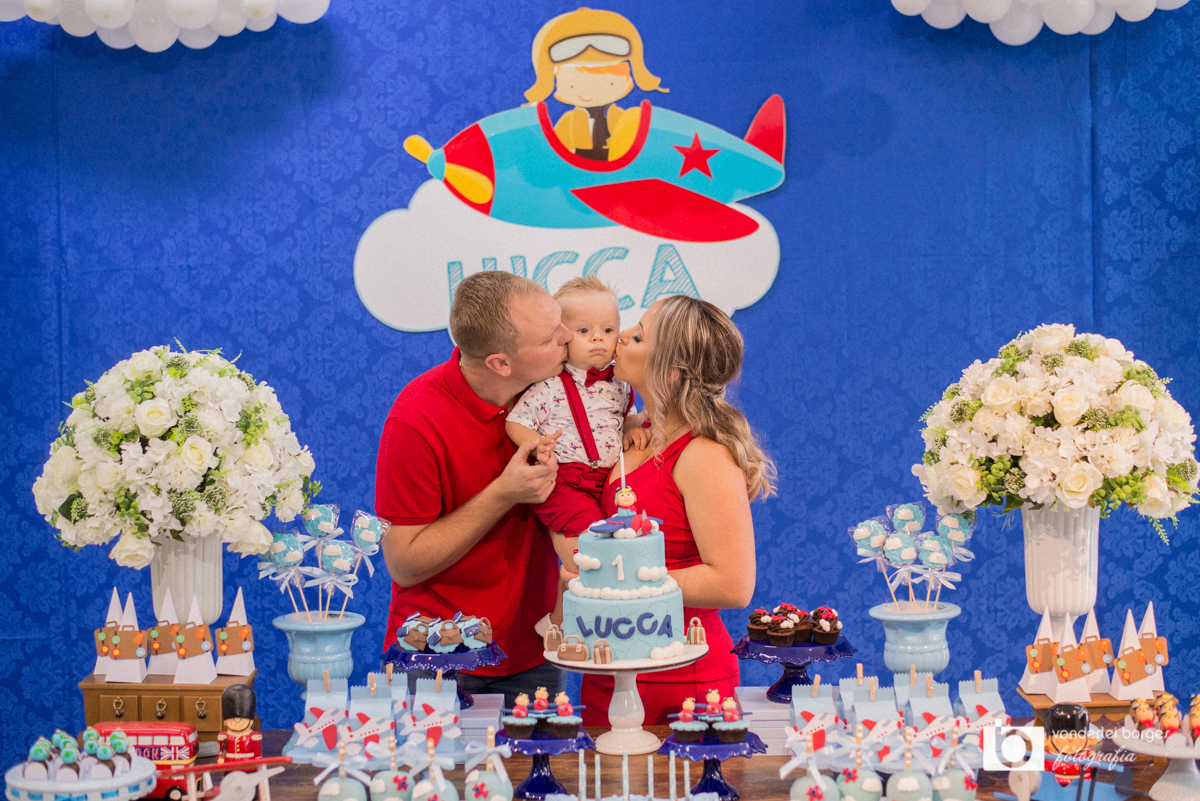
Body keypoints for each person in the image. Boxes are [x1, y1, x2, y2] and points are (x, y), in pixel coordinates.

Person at [377, 271, 572, 704]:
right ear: (500, 363)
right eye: (549, 338)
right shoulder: (416, 419)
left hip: (534, 652)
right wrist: (504, 493)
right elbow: (404, 563)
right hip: (435, 652)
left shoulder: (562, 394)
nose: (567, 336)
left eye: (561, 321)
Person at [580, 295, 775, 725]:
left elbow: (732, 584)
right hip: (607, 668)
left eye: (638, 336)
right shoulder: (631, 433)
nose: (620, 337)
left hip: (682, 677)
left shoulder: (703, 455)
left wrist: (614, 582)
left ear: (670, 371)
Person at [505, 276, 649, 628]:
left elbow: (625, 414)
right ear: (562, 338)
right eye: (584, 331)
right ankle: (563, 623)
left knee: (615, 545)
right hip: (564, 481)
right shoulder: (548, 386)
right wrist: (537, 444)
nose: (598, 338)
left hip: (605, 481)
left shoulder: (620, 384)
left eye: (608, 330)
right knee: (589, 552)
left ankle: (562, 623)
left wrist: (632, 425)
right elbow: (516, 421)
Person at [524, 8, 668, 161]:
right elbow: (556, 150)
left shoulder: (622, 118)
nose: (587, 93)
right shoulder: (569, 121)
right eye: (573, 86)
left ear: (628, 79)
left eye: (610, 84)